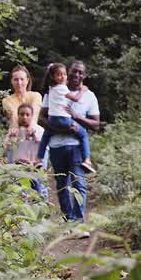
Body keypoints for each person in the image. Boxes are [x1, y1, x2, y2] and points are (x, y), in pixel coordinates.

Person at [40, 60, 100, 223]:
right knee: (61, 185)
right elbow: (41, 117)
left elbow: (96, 124)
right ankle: (68, 219)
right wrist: (60, 129)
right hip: (56, 146)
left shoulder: (89, 96)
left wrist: (78, 117)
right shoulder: (53, 90)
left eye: (80, 72)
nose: (77, 75)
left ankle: (79, 221)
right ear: (68, 72)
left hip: (76, 148)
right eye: (74, 71)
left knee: (79, 183)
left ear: (85, 75)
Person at [35, 63, 95, 173]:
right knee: (83, 134)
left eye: (64, 74)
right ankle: (87, 160)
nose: (63, 77)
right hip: (63, 119)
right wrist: (83, 90)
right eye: (59, 75)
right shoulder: (62, 88)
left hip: (52, 120)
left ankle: (39, 159)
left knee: (45, 137)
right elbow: (75, 98)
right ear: (53, 77)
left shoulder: (51, 88)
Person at [4, 103, 48, 199]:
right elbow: (6, 151)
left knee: (39, 188)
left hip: (35, 166)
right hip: (18, 168)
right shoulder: (13, 131)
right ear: (18, 115)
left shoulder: (39, 130)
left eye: (27, 115)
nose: (24, 117)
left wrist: (34, 137)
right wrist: (12, 139)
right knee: (20, 190)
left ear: (32, 116)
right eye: (22, 114)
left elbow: (45, 151)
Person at [0, 65, 43, 144]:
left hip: (34, 130)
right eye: (16, 79)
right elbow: (14, 116)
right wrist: (15, 130)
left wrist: (31, 127)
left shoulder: (36, 95)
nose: (19, 83)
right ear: (12, 81)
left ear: (27, 80)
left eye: (22, 79)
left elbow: (35, 113)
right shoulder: (6, 100)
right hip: (16, 130)